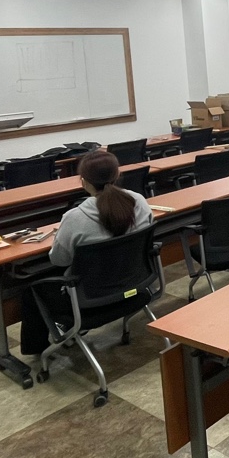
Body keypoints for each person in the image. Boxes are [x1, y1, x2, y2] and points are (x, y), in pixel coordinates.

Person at [20, 150, 153, 356]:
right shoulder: (139, 201)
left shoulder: (74, 218)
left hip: (89, 299)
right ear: (118, 175)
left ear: (84, 182)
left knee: (31, 289)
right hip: (133, 287)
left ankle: (38, 350)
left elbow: (59, 260)